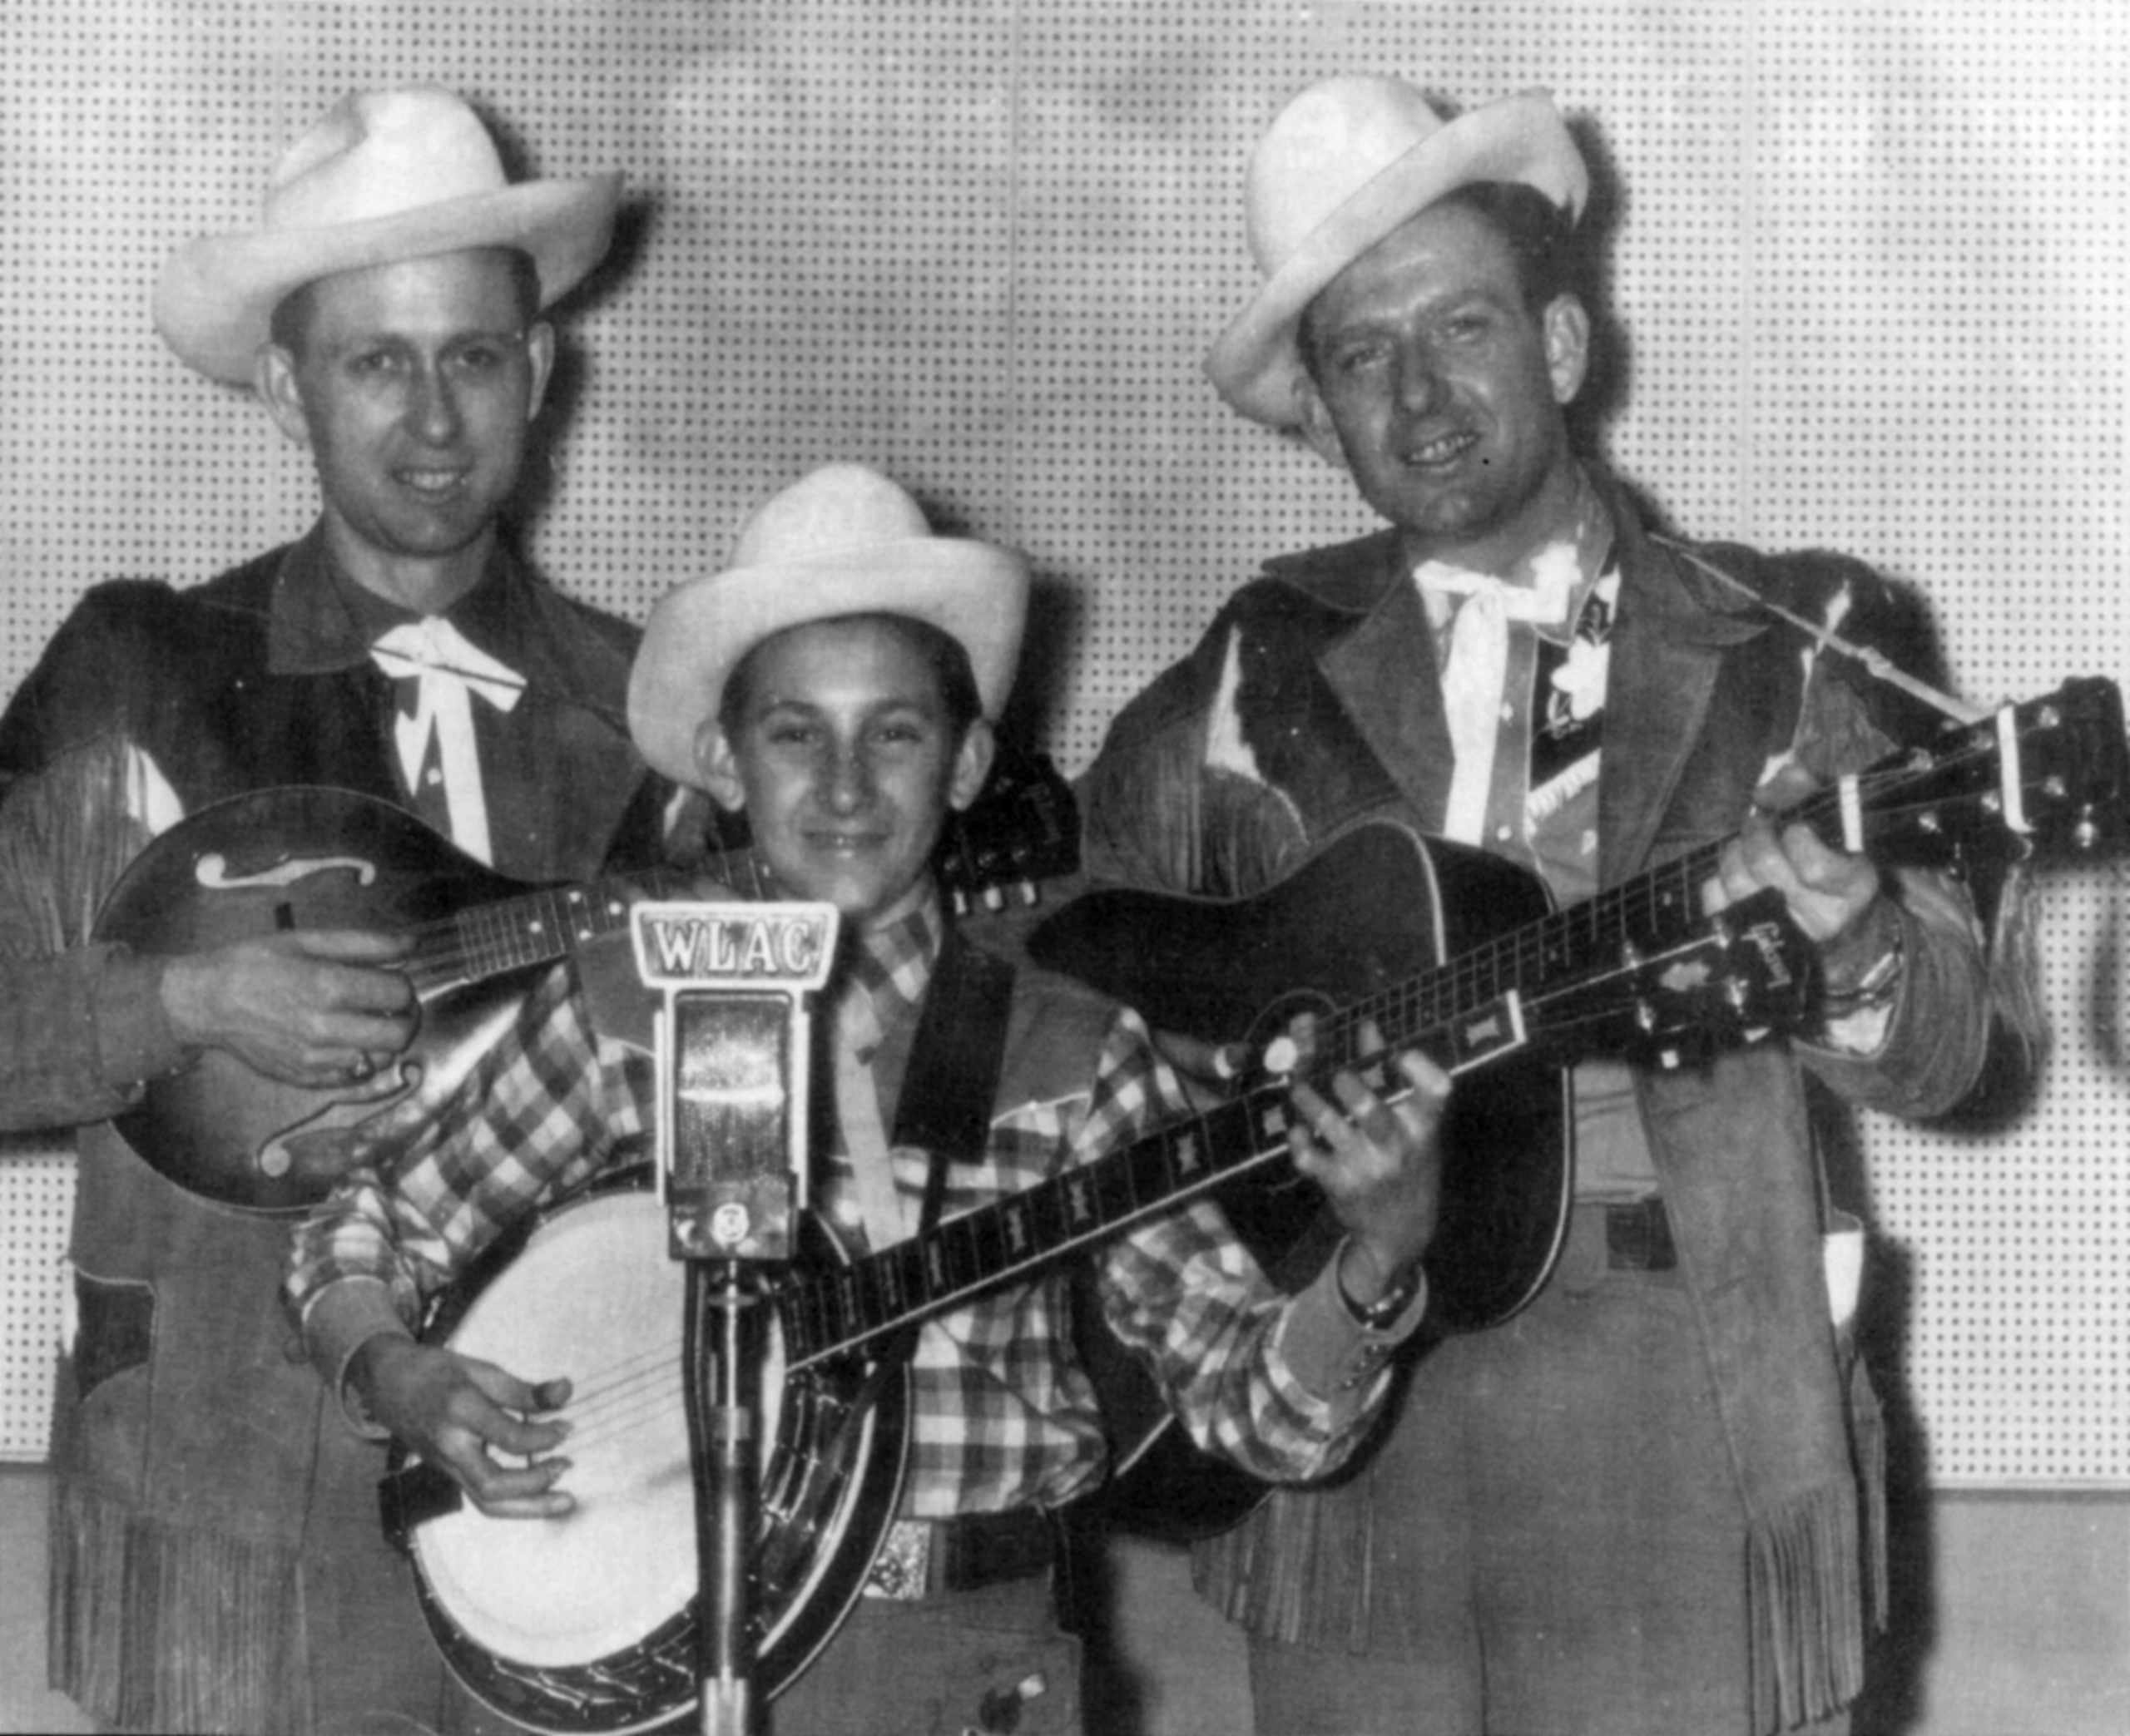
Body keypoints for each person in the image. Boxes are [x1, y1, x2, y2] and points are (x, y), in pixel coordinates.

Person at [1076, 76, 2004, 1736]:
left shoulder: (1797, 644)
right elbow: (1082, 989)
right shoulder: (1244, 677)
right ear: (1315, 413)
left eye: (1462, 328)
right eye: (1361, 356)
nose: (1421, 398)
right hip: (1363, 1388)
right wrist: (1256, 1228)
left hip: (1686, 1390)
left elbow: (1945, 1051)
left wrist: (1857, 941)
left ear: (1561, 347)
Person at [285, 462, 1450, 1736]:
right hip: (658, 1678)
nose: (844, 786)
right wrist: (394, 1372)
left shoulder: (1071, 1051)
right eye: (796, 731)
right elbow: (371, 1219)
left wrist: (1373, 1263)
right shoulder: (628, 1008)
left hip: (962, 1666)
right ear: (726, 761)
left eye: (894, 732)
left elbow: (1258, 1413)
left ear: (964, 767)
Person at [0, 88, 677, 1734]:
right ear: (285, 385)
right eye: (377, 361)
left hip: (565, 1492)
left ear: (543, 375)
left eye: (473, 355)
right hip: (215, 1511)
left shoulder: (658, 715)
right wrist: (177, 1006)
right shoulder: (144, 670)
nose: (434, 419)